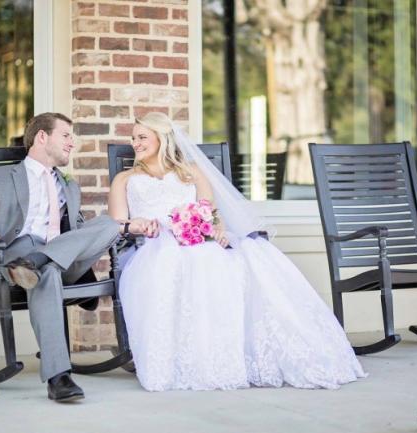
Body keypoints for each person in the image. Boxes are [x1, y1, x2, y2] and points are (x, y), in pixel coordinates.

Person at [108, 112, 367, 392]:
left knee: (252, 257)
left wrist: (216, 229)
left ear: (162, 138)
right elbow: (117, 225)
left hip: (198, 238)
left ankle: (256, 352)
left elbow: (211, 213)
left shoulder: (191, 172)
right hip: (156, 244)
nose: (135, 143)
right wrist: (137, 224)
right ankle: (192, 358)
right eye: (133, 138)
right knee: (180, 262)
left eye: (142, 137)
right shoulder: (125, 179)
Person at [0, 112, 155, 402]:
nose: (72, 144)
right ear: (42, 137)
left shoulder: (69, 186)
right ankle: (59, 375)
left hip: (46, 266)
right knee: (38, 255)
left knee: (106, 223)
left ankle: (37, 264)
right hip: (3, 264)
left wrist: (127, 226)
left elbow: (78, 235)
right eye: (66, 136)